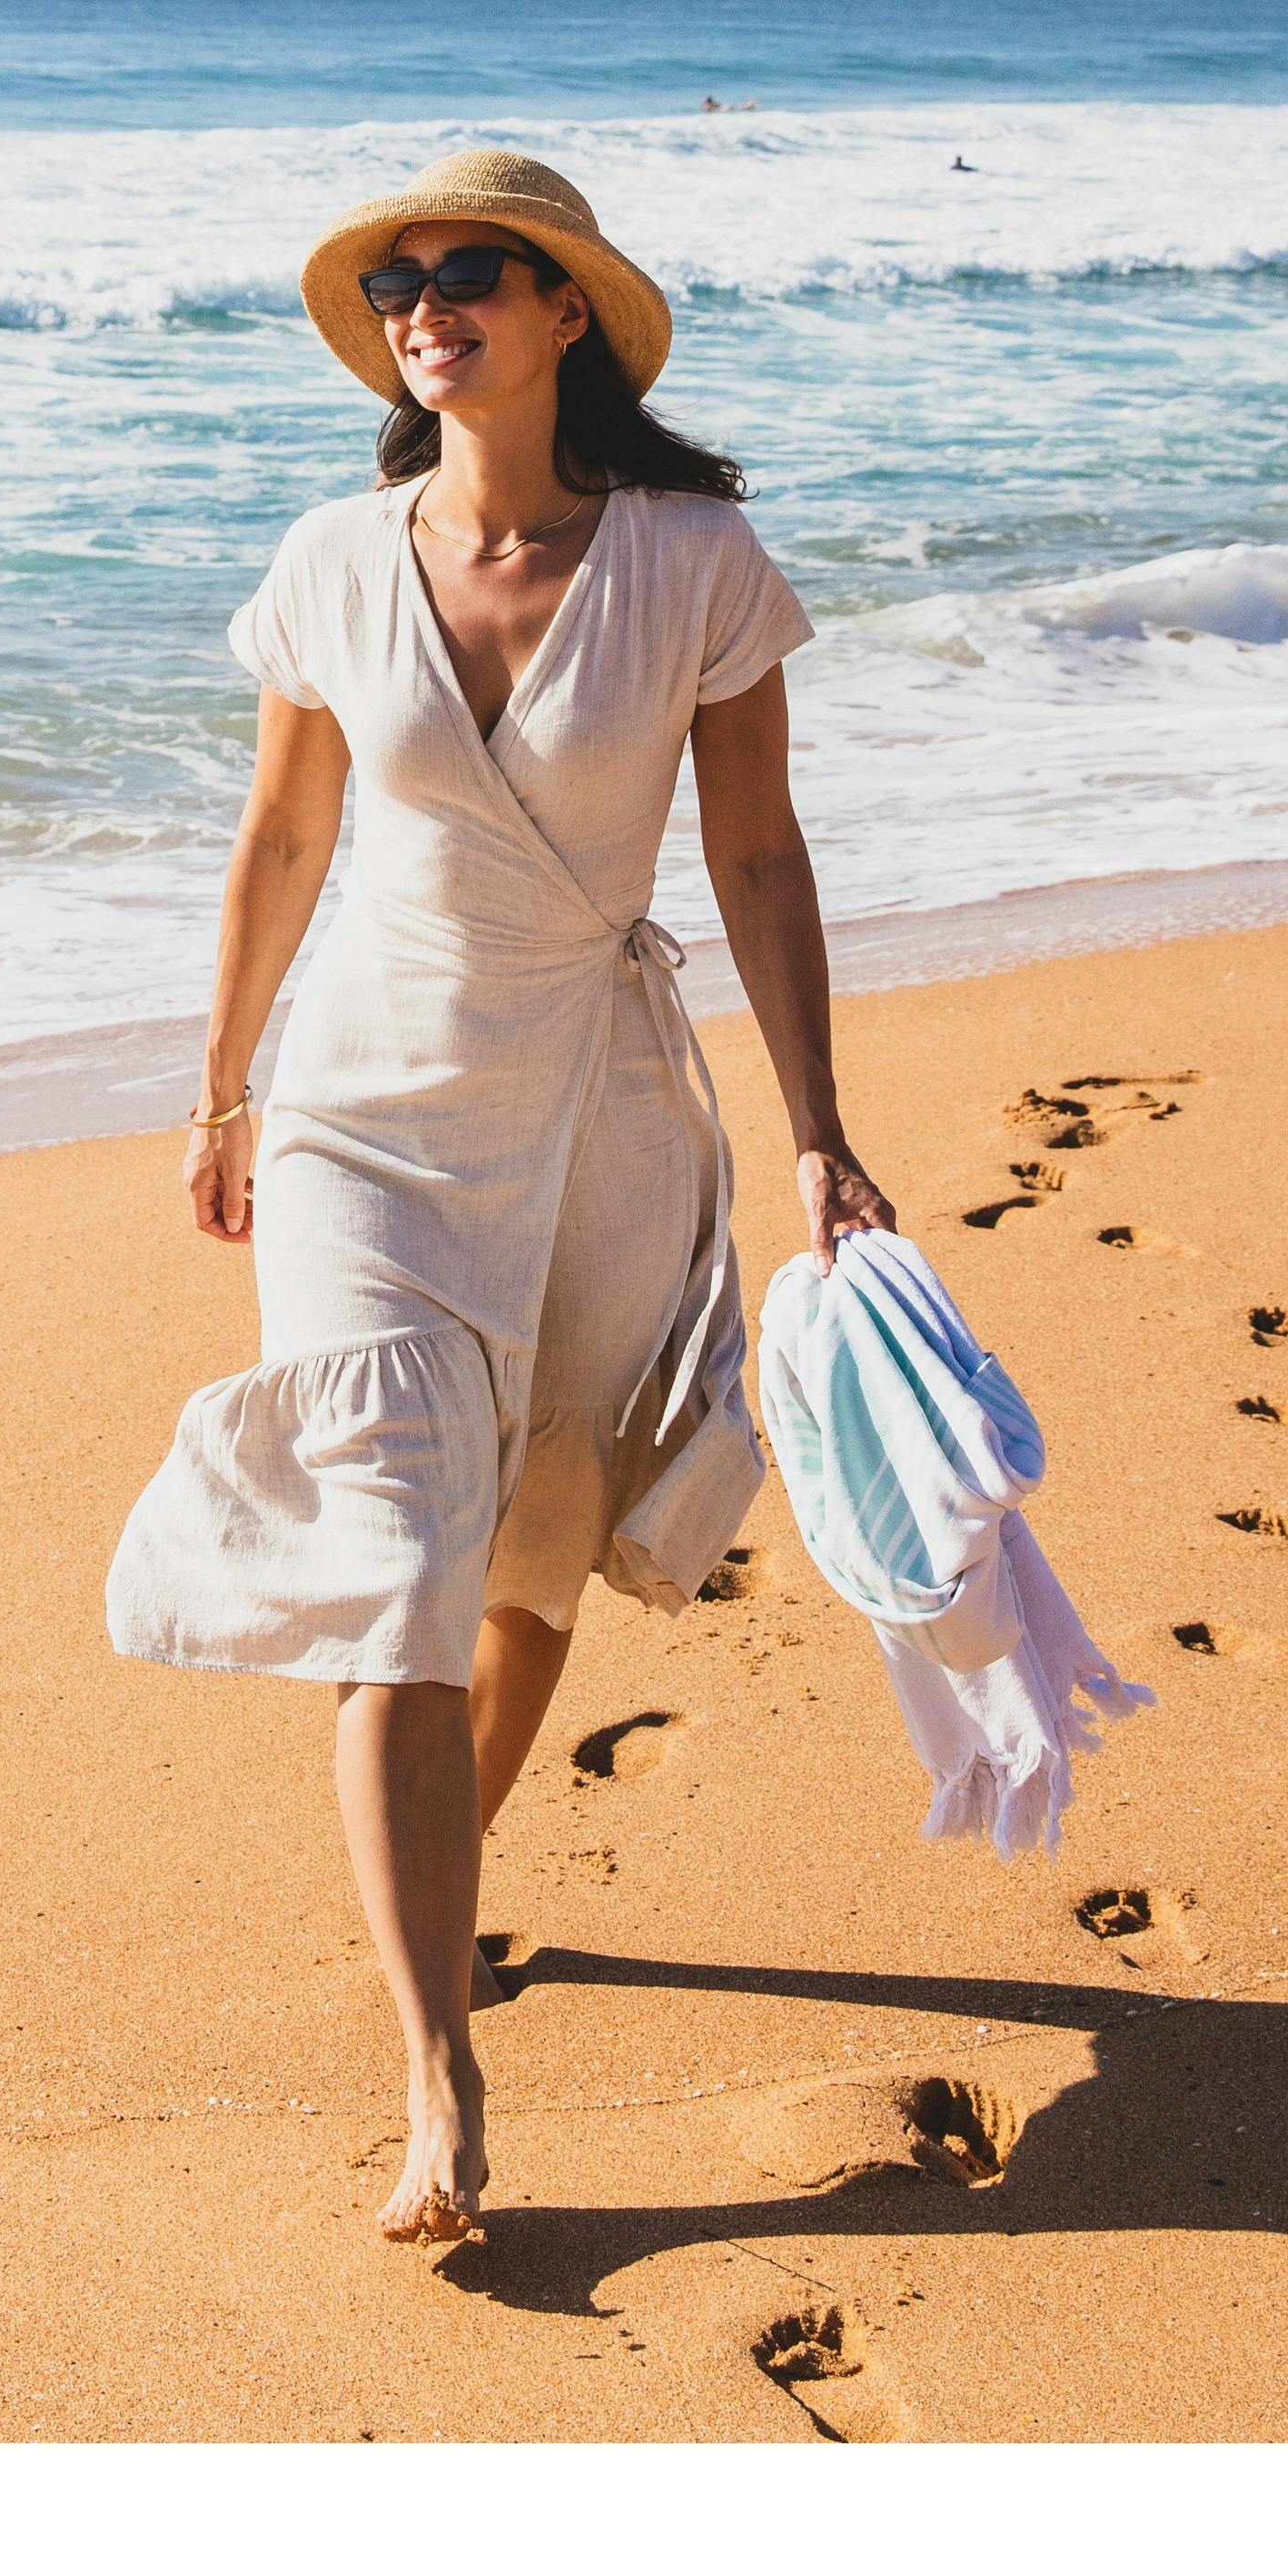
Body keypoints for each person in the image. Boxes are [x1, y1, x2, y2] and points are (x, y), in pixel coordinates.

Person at [104, 148, 887, 2246]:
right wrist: (220, 1087)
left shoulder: (695, 561)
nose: (425, 302)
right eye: (399, 282)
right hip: (360, 1114)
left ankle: (440, 1887)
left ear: (563, 318)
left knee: (533, 1550)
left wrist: (819, 1123)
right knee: (392, 1558)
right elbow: (282, 840)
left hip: (594, 1116)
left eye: (470, 271)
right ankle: (438, 2066)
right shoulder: (329, 562)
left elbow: (760, 856)